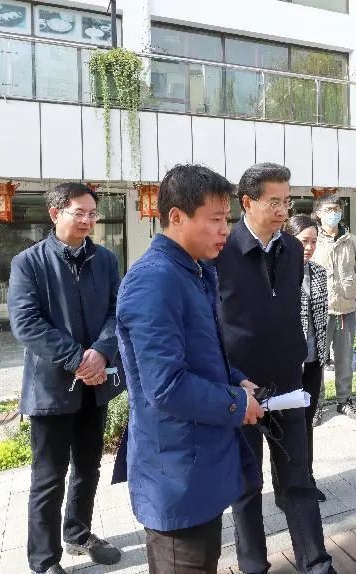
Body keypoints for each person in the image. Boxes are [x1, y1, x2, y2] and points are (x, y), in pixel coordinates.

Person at [116, 165, 264, 573]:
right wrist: (237, 403)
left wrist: (235, 379)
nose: (224, 230)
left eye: (226, 219)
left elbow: (203, 352)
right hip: (176, 469)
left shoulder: (196, 270)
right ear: (177, 217)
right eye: (215, 219)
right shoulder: (154, 281)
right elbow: (165, 385)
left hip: (200, 459)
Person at [216, 163, 333, 574]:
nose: (283, 210)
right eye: (274, 202)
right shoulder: (221, 251)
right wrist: (229, 380)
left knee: (298, 479)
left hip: (287, 383)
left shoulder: (292, 250)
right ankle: (253, 566)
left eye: (287, 202)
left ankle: (316, 563)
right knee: (247, 486)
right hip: (241, 387)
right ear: (247, 202)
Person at [8, 183, 124, 574]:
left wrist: (102, 351)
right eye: (80, 212)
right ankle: (44, 560)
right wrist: (77, 359)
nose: (88, 220)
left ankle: (78, 533)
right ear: (55, 213)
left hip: (95, 386)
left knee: (88, 468)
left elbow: (117, 311)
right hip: (51, 389)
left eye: (93, 213)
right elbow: (26, 323)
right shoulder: (29, 262)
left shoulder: (105, 260)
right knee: (48, 477)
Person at [285, 214, 330, 502]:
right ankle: (287, 484)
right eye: (304, 241)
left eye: (314, 241)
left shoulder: (318, 272)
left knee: (306, 421)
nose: (310, 247)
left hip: (314, 360)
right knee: (288, 425)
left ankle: (307, 477)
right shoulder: (276, 273)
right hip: (288, 364)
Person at [311, 195, 356, 421]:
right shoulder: (312, 239)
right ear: (318, 213)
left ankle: (345, 400)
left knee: (344, 358)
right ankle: (317, 403)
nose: (334, 213)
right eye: (328, 209)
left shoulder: (351, 240)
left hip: (346, 308)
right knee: (317, 360)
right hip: (319, 309)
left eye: (337, 209)